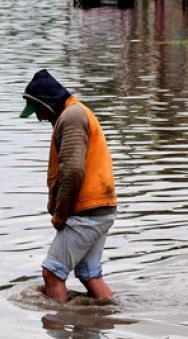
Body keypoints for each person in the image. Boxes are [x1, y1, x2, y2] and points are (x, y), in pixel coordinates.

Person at [19, 69, 118, 303]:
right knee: (89, 274)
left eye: (38, 111)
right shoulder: (76, 113)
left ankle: (57, 327)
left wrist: (60, 215)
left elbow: (72, 171)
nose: (39, 118)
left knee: (52, 273)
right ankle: (108, 319)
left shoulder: (71, 116)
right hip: (101, 207)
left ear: (48, 103)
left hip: (87, 210)